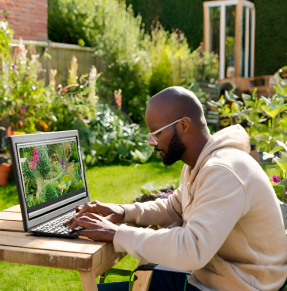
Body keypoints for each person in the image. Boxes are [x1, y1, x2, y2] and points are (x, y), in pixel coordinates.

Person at [65, 86, 287, 291]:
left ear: (184, 125)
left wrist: (117, 233)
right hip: (209, 279)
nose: (152, 143)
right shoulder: (199, 165)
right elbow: (174, 207)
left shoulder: (224, 171)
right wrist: (124, 212)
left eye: (157, 133)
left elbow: (192, 248)